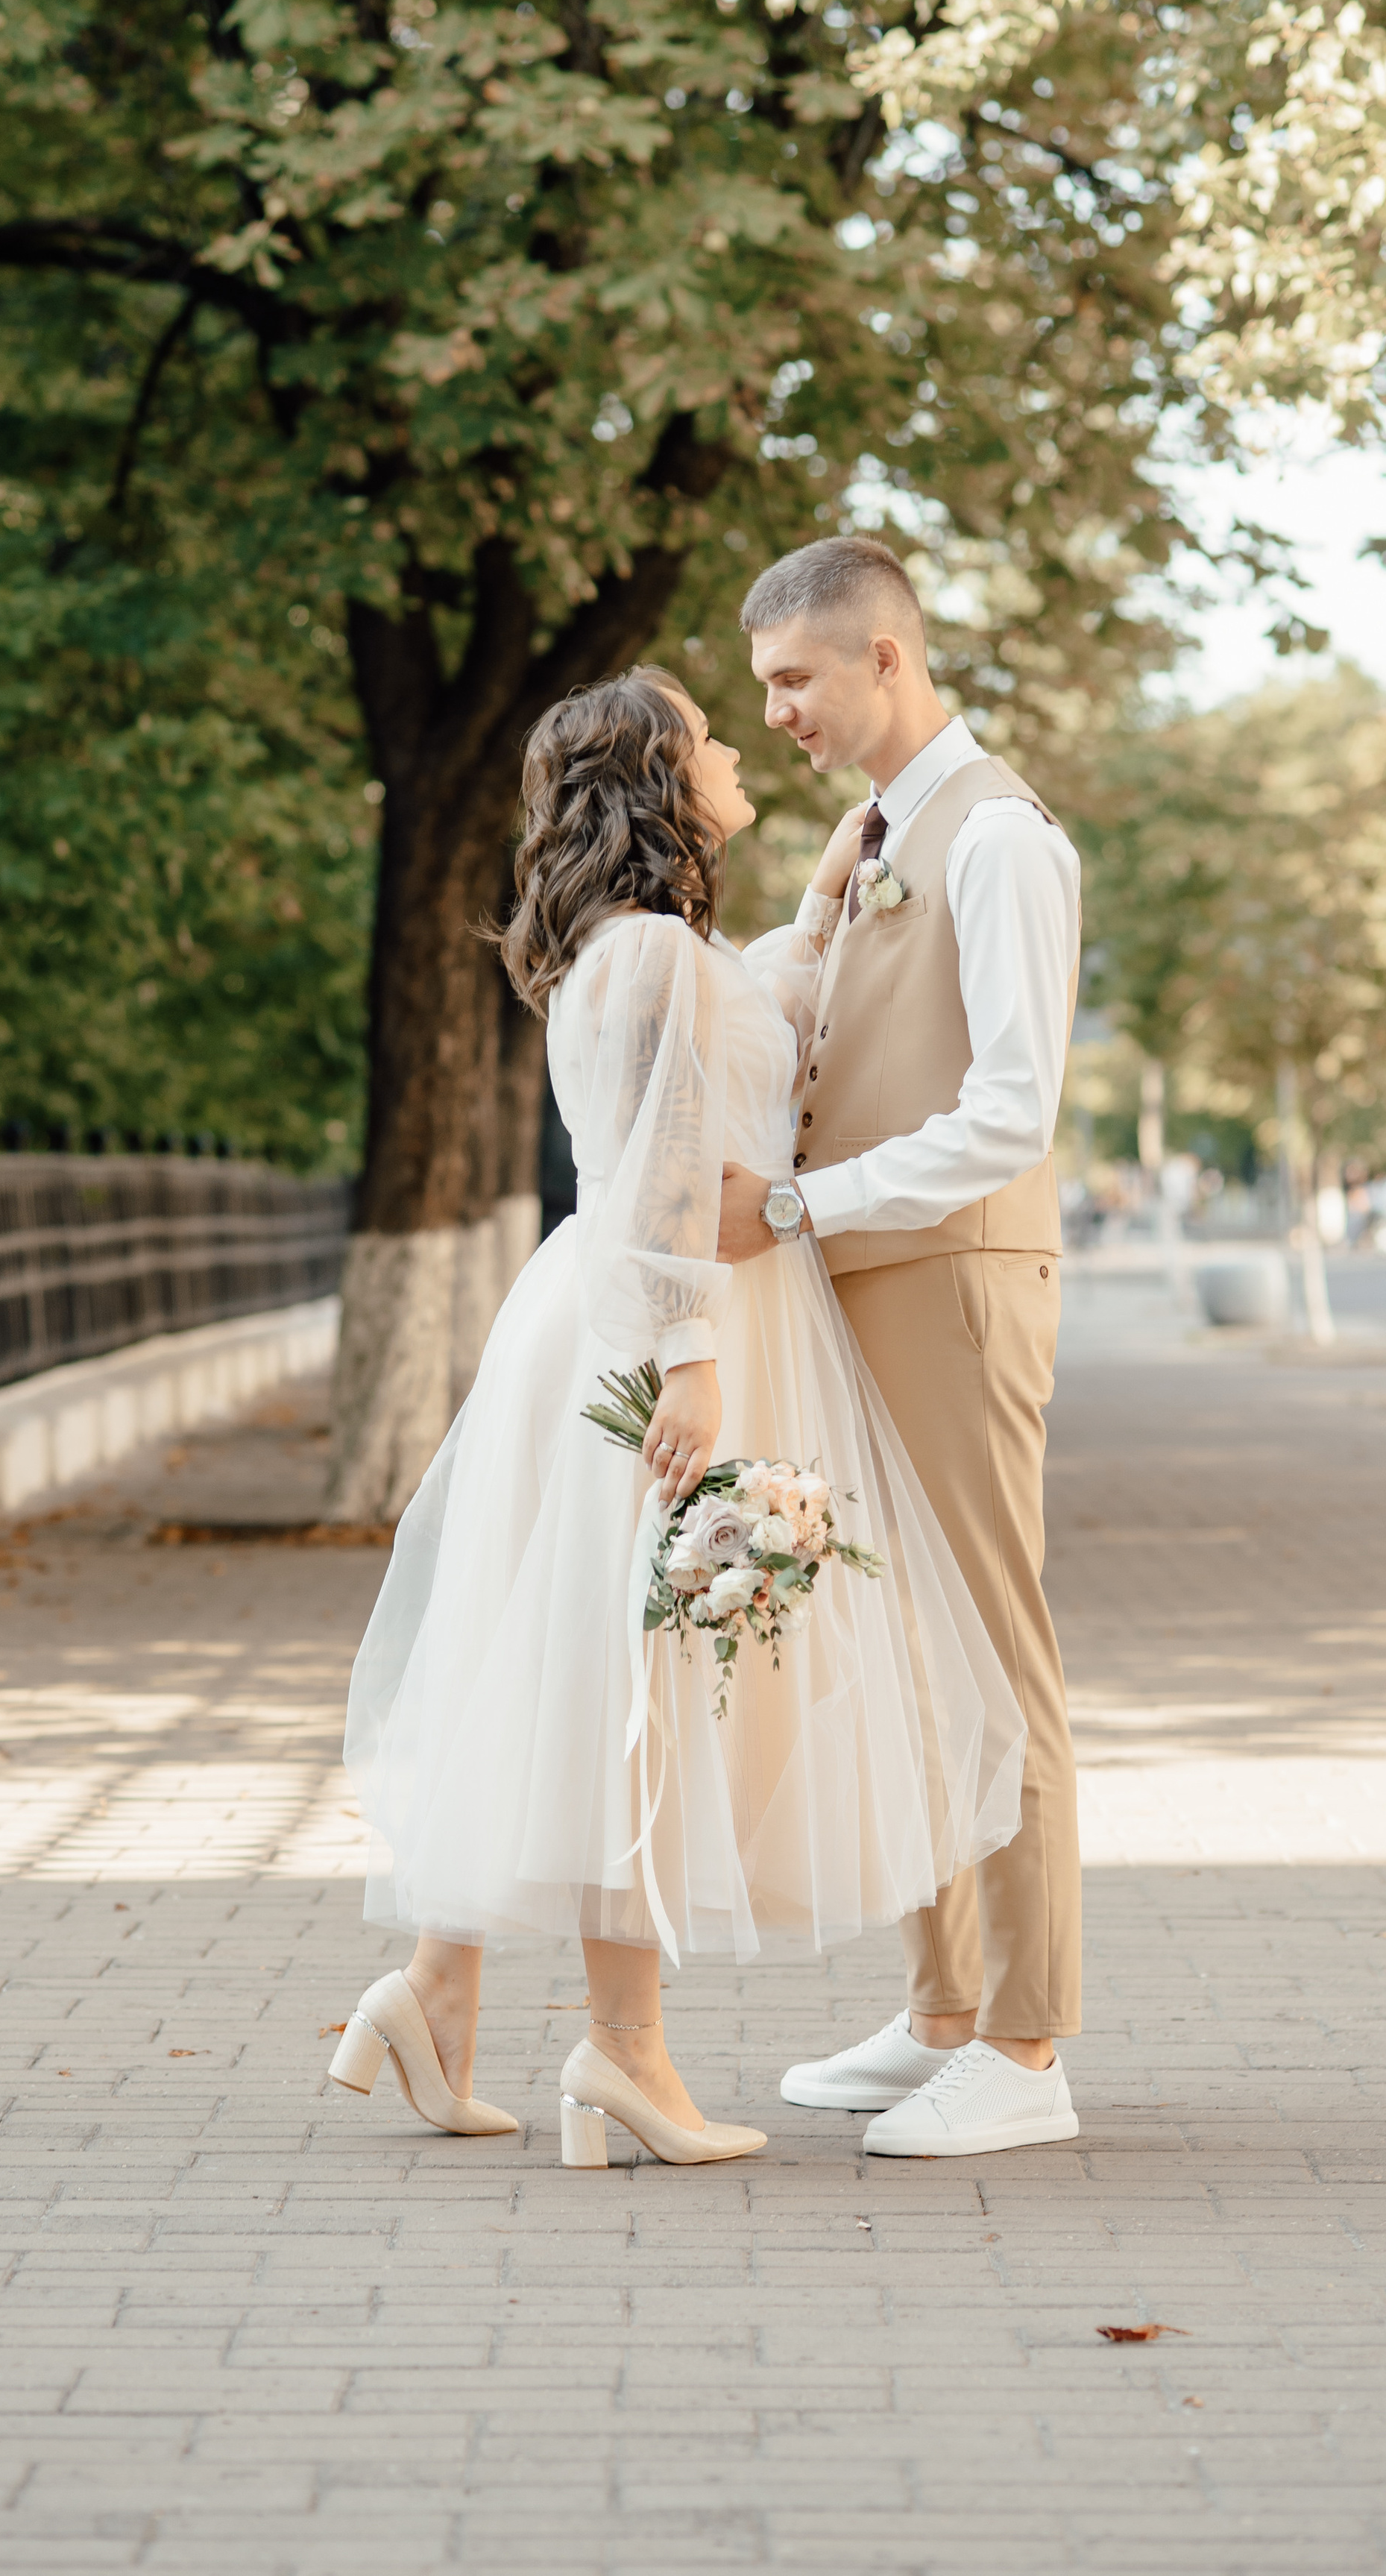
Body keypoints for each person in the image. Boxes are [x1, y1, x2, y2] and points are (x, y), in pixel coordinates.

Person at [335, 665, 1025, 2171]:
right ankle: (623, 2057)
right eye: (709, 734)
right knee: (636, 1690)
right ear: (657, 779)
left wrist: (823, 912)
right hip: (654, 1335)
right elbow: (650, 1183)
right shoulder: (647, 961)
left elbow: (736, 1048)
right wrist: (694, 1361)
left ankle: (433, 1994)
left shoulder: (656, 954)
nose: (731, 747)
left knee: (581, 1667)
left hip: (621, 1325)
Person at [716, 533, 1086, 2160]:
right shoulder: (868, 833)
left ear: (883, 658)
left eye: (793, 680)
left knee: (994, 1658)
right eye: (762, 691)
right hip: (865, 1278)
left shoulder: (996, 837)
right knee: (913, 1658)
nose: (779, 712)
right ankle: (941, 2012)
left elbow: (1010, 1107)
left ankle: (1024, 2044)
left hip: (949, 1276)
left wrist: (795, 1205)